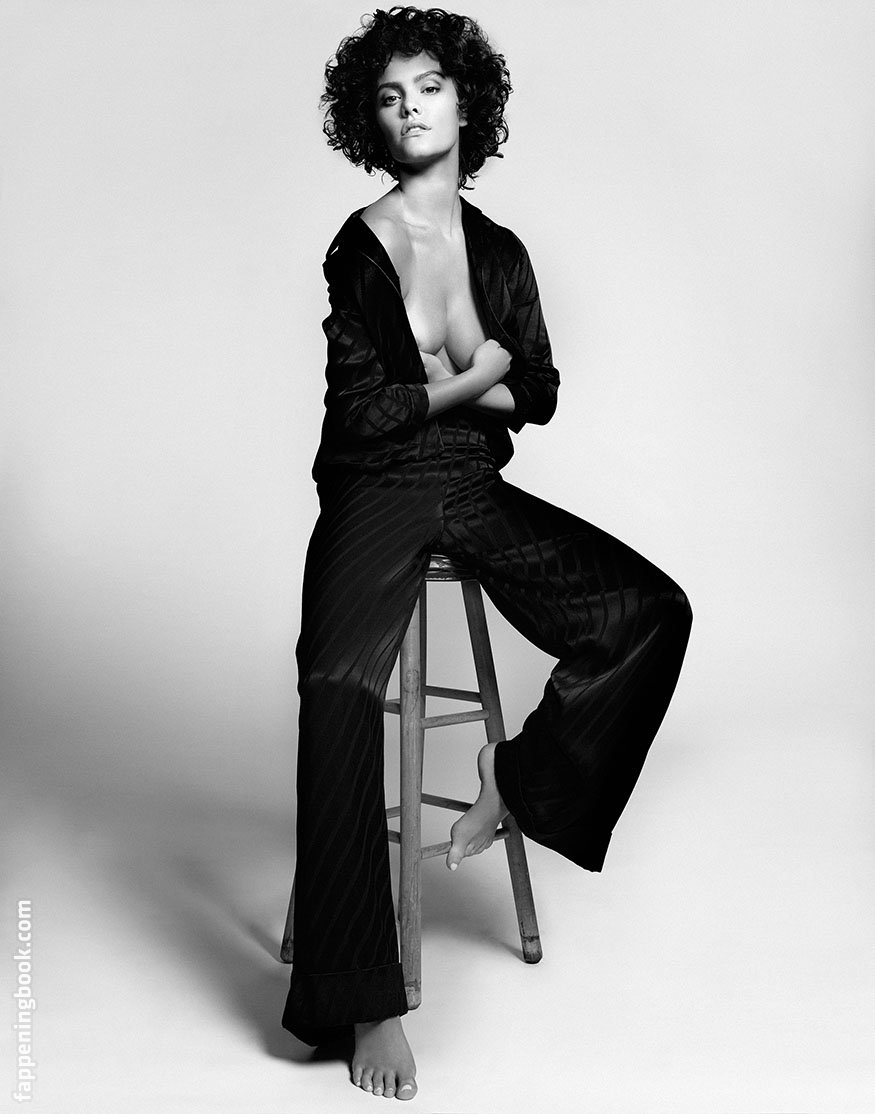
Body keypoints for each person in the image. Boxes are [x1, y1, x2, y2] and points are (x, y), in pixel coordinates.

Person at [281, 5, 693, 1100]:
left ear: (467, 103)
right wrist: (475, 374)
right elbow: (366, 412)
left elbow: (541, 391)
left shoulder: (500, 252)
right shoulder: (359, 247)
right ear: (368, 120)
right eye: (389, 96)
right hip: (375, 490)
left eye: (429, 87)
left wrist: (466, 380)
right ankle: (364, 999)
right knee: (334, 685)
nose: (411, 108)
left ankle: (513, 774)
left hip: (469, 483)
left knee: (647, 611)